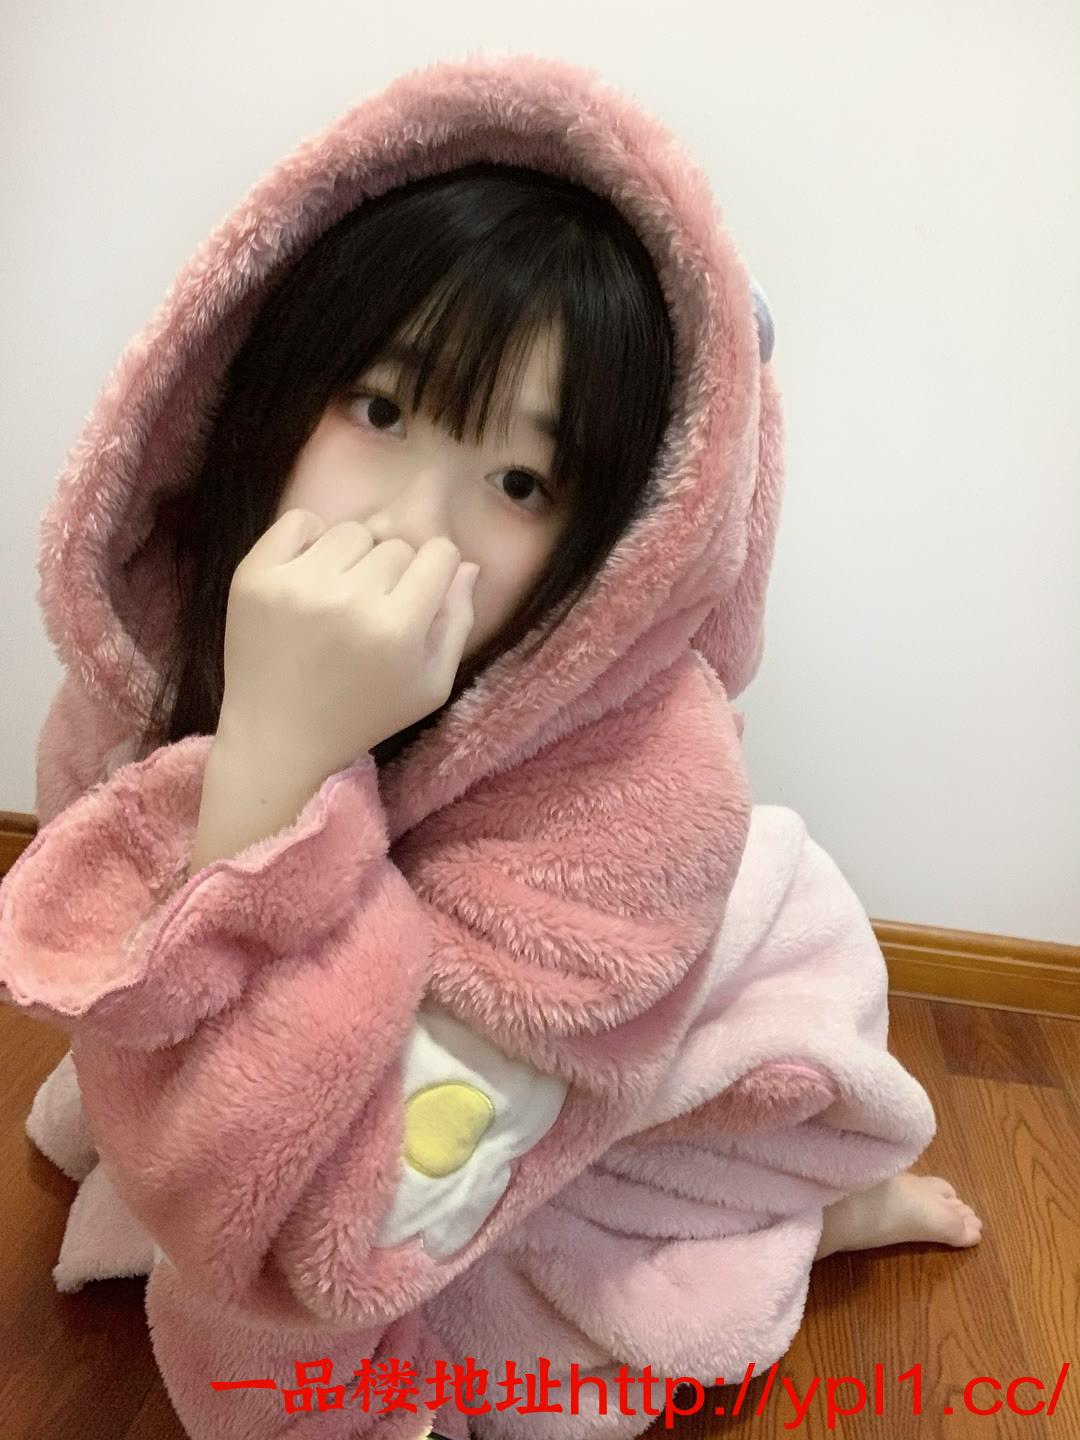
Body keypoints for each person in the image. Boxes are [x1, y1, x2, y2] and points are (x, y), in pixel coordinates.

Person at [2, 52, 980, 1440]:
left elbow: (327, 1243)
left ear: (618, 542)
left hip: (634, 998)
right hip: (394, 1023)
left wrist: (277, 767)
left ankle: (805, 1213)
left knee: (488, 1316)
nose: (412, 524)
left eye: (519, 480)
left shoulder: (646, 796)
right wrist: (257, 751)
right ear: (263, 383)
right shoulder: (152, 650)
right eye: (381, 409)